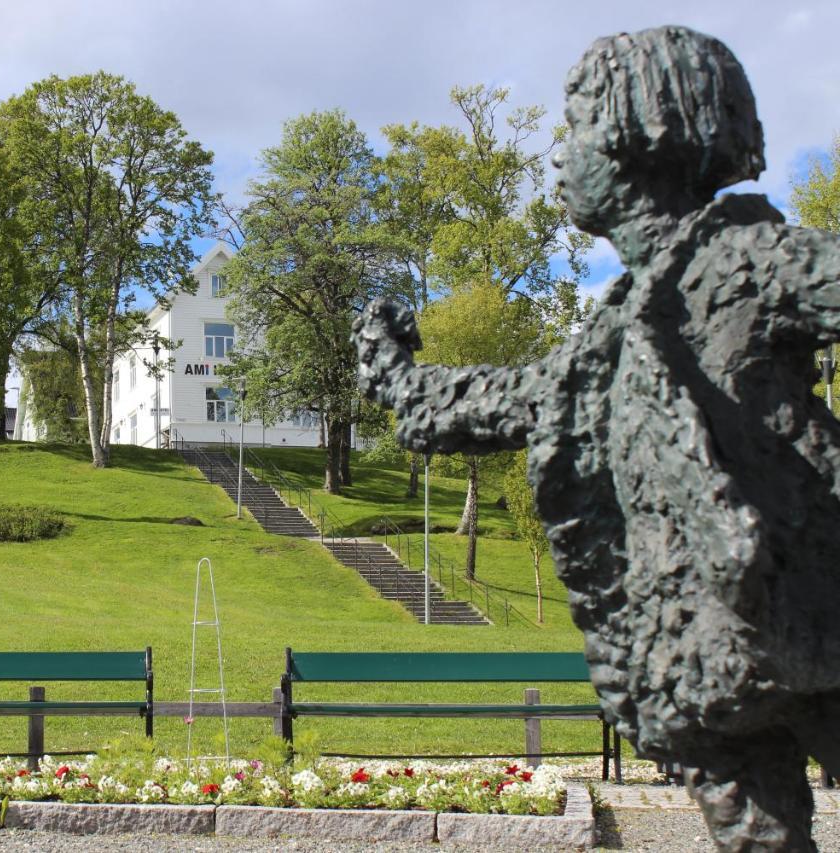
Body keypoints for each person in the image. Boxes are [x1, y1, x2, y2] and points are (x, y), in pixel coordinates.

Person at [355, 25, 840, 851]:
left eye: (573, 128)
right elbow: (490, 398)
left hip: (811, 609)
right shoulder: (603, 337)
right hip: (700, 652)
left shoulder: (748, 264)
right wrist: (392, 370)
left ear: (633, 136)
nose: (558, 156)